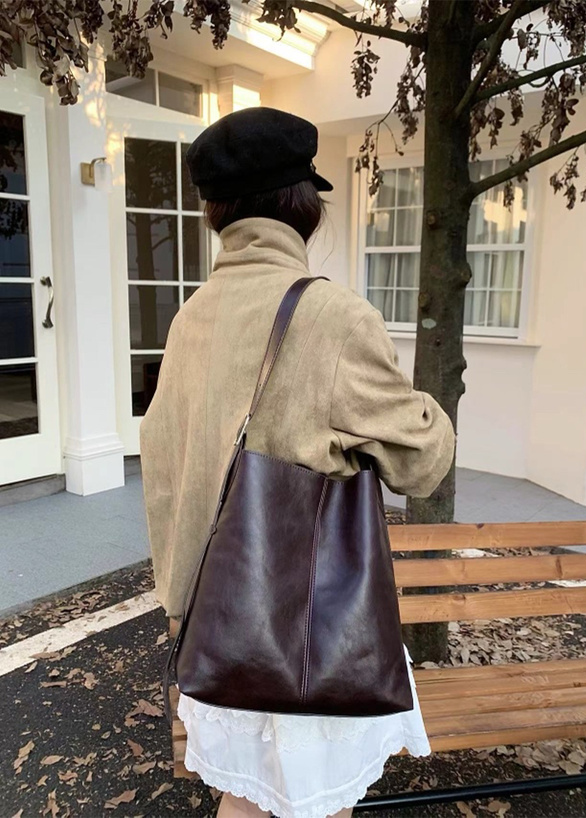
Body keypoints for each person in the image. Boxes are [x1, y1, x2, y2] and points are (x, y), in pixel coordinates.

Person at [140, 106, 455, 818]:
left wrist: (179, 605)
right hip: (309, 630)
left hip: (214, 624)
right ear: (303, 205)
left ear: (216, 211)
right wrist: (427, 413)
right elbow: (420, 464)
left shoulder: (191, 317)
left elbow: (164, 472)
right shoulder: (334, 317)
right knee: (319, 804)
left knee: (241, 801)